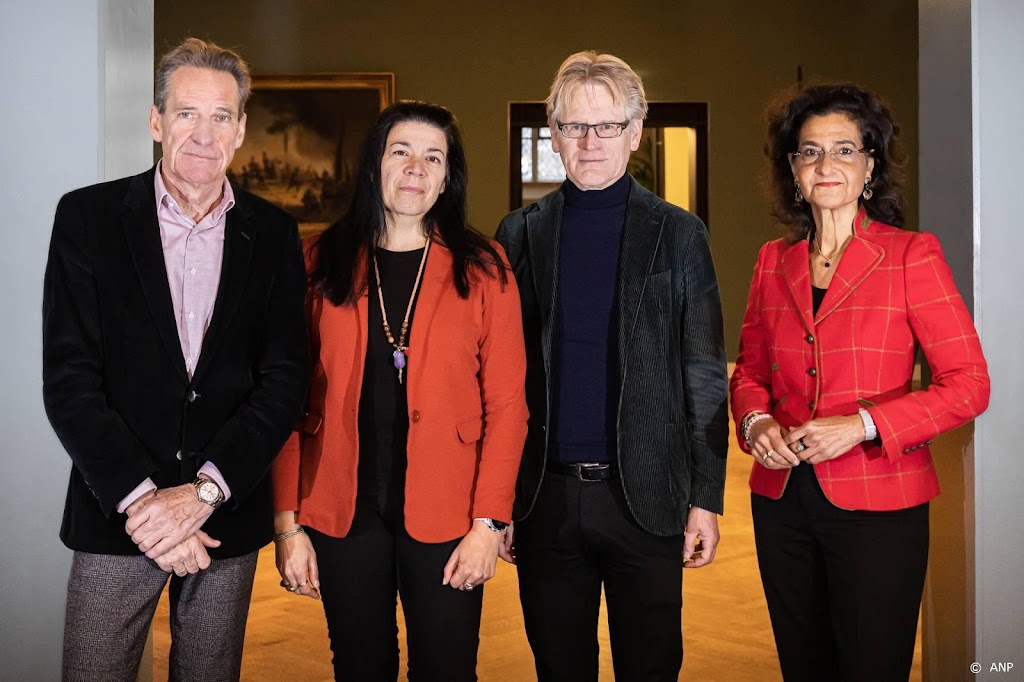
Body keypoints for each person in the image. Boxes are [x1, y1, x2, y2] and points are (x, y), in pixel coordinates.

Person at [42, 38, 309, 681]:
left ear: (240, 129)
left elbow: (283, 382)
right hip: (118, 514)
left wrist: (204, 493)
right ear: (156, 120)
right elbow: (69, 382)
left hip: (224, 515)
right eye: (187, 113)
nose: (204, 134)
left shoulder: (274, 234)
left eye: (221, 116)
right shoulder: (87, 218)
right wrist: (148, 507)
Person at [731, 83, 990, 681]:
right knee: (804, 666)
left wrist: (862, 425)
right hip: (782, 504)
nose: (825, 164)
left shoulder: (911, 256)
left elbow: (969, 384)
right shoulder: (772, 260)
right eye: (809, 151)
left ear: (870, 165)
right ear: (793, 169)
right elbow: (749, 371)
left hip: (880, 505)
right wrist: (756, 421)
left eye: (844, 149)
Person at [272, 101, 528, 681]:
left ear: (447, 176)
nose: (416, 167)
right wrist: (287, 527)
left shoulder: (484, 266)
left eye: (433, 157)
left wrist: (488, 524)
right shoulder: (317, 260)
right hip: (341, 509)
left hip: (450, 512)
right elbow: (284, 400)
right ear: (374, 166)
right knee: (359, 667)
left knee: (447, 669)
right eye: (401, 152)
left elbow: (509, 407)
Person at [495, 51, 729, 681]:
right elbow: (500, 376)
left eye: (606, 126)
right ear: (554, 135)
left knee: (650, 667)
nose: (589, 141)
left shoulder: (679, 233)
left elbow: (705, 373)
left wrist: (705, 497)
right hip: (544, 497)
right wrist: (499, 501)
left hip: (646, 496)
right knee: (558, 666)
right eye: (574, 126)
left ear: (634, 132)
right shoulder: (518, 233)